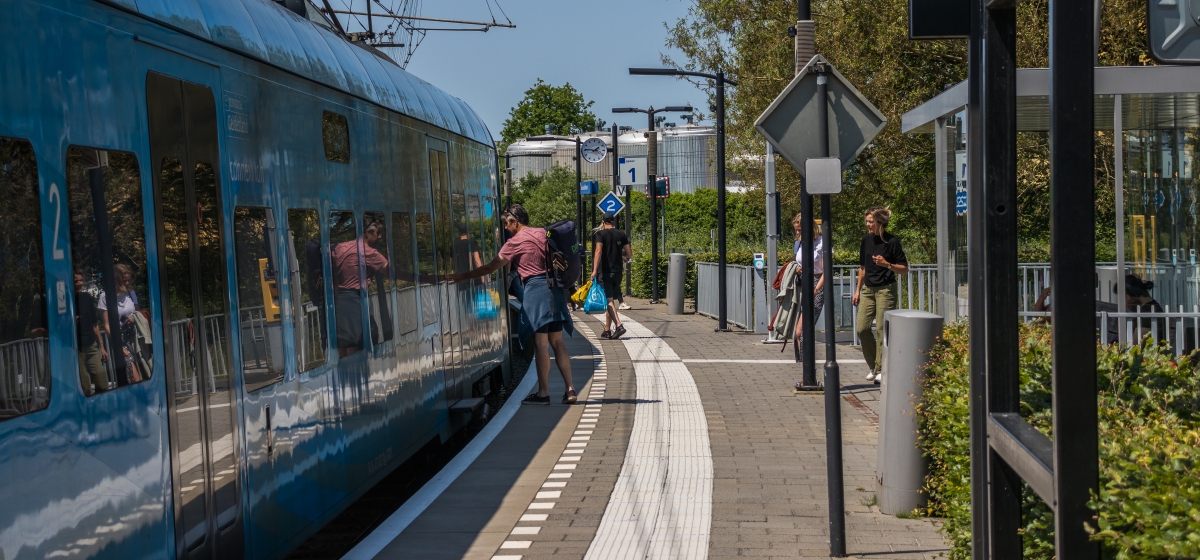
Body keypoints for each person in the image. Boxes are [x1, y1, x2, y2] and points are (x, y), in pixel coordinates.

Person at [449, 204, 577, 405]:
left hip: (536, 290)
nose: (506, 228)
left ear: (515, 221)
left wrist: (463, 276)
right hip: (555, 289)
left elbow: (491, 267)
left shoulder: (515, 242)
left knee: (540, 343)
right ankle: (570, 389)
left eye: (506, 224)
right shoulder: (544, 233)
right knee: (558, 342)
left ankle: (543, 393)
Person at [852, 207, 908, 384]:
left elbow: (904, 269)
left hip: (885, 289)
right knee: (862, 328)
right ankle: (873, 366)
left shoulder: (892, 242)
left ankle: (880, 370)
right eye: (867, 221)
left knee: (881, 329)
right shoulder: (866, 240)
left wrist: (887, 264)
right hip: (868, 289)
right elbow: (863, 268)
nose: (868, 225)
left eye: (871, 222)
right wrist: (857, 290)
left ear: (880, 223)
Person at [331, 222, 389, 356]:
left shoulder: (340, 247)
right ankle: (357, 376)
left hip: (338, 303)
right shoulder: (367, 252)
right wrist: (427, 278)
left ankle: (346, 376)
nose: (379, 237)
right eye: (377, 233)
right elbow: (391, 271)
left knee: (343, 349)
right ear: (368, 233)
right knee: (355, 350)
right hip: (354, 303)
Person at [791, 213, 825, 385]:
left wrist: (816, 289)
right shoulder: (800, 242)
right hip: (804, 284)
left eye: (800, 230)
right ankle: (806, 371)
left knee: (803, 332)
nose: (797, 233)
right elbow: (798, 261)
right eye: (796, 230)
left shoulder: (821, 242)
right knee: (798, 333)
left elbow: (827, 270)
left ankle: (809, 376)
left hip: (817, 284)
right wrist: (798, 269)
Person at [98, 263, 145, 384]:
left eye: (129, 280)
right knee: (134, 377)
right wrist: (118, 344)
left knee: (143, 371)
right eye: (124, 281)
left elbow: (138, 313)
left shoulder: (130, 293)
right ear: (117, 280)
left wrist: (134, 318)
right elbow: (106, 325)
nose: (128, 284)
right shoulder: (105, 297)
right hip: (121, 338)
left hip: (135, 336)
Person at [591, 212, 632, 339]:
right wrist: (621, 256)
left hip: (605, 272)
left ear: (603, 222)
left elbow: (599, 251)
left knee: (608, 300)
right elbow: (629, 254)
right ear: (613, 221)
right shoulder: (621, 234)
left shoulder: (600, 234)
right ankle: (607, 329)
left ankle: (619, 325)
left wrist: (594, 270)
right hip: (618, 272)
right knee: (611, 300)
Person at [75, 272, 109, 396]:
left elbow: (94, 324)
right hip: (77, 350)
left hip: (91, 346)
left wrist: (102, 347)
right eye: (76, 281)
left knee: (102, 384)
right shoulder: (66, 301)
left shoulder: (87, 298)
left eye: (81, 280)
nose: (79, 284)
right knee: (85, 388)